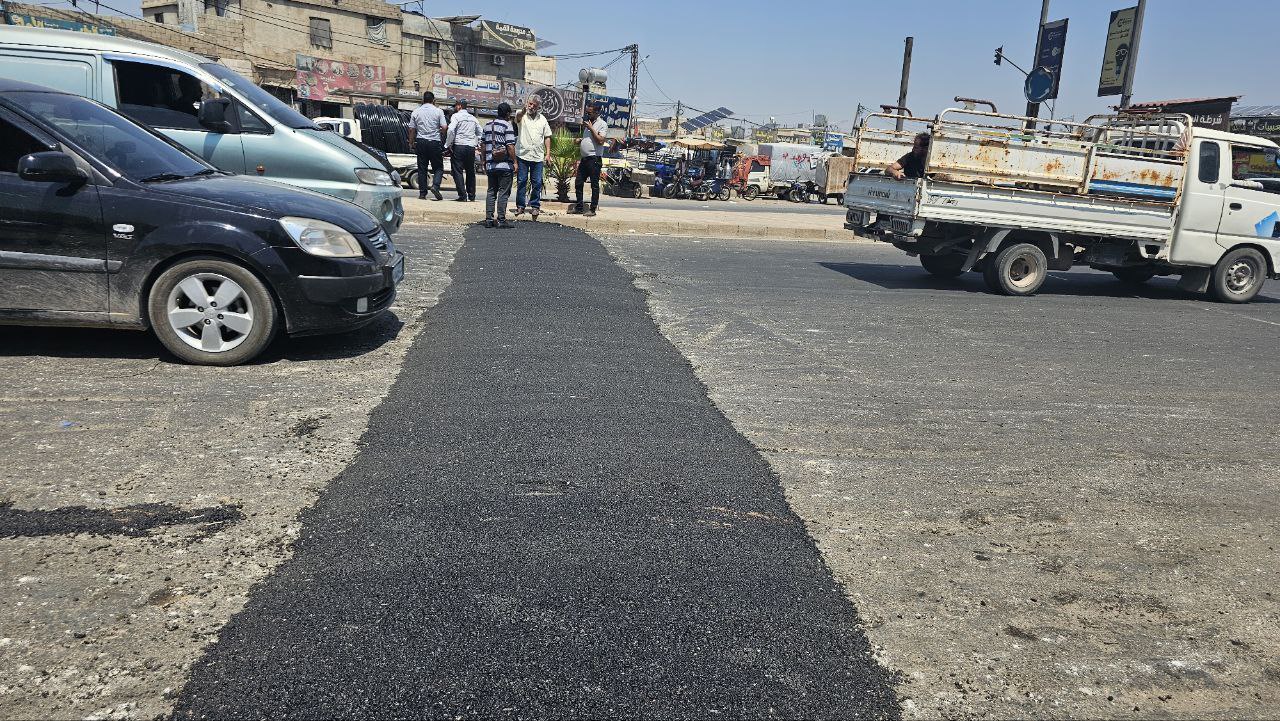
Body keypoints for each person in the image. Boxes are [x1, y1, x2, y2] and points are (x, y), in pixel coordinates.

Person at [513, 95, 552, 220]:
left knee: (537, 182)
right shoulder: (521, 114)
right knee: (522, 181)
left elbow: (547, 136)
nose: (531, 107)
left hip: (537, 156)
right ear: (527, 103)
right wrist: (524, 110)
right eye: (530, 104)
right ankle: (520, 206)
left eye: (534, 105)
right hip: (523, 155)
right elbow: (518, 118)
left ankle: (535, 206)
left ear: (538, 107)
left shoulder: (543, 119)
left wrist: (548, 154)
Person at [482, 102, 518, 229]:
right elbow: (510, 146)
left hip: (491, 165)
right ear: (507, 114)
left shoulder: (487, 125)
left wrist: (484, 161)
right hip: (504, 166)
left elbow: (483, 145)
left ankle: (489, 219)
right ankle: (501, 219)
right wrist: (515, 162)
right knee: (503, 192)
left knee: (491, 191)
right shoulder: (507, 125)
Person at [407, 91, 447, 200]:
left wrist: (411, 143)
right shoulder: (438, 111)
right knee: (438, 167)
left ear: (422, 100)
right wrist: (441, 133)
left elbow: (411, 129)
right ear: (433, 100)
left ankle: (422, 193)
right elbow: (444, 127)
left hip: (421, 142)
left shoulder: (416, 111)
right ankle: (435, 186)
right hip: (434, 142)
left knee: (422, 168)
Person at [573, 102, 609, 217]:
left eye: (590, 113)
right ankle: (579, 207)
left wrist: (591, 128)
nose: (587, 115)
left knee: (594, 185)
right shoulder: (588, 124)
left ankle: (592, 209)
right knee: (578, 182)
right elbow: (589, 139)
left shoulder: (602, 124)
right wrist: (581, 140)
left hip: (594, 159)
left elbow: (600, 140)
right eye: (587, 112)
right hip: (584, 159)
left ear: (597, 112)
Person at [445, 99, 480, 201]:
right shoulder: (473, 118)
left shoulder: (456, 116)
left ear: (459, 106)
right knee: (470, 171)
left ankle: (462, 195)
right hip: (470, 147)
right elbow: (480, 132)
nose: (455, 108)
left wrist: (448, 144)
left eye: (456, 106)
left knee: (457, 171)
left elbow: (451, 130)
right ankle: (472, 195)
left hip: (459, 146)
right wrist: (476, 143)